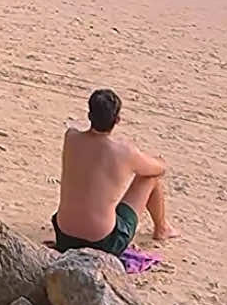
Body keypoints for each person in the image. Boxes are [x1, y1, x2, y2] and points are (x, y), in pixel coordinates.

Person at [53, 87, 176, 255]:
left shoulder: (71, 137)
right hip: (104, 242)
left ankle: (162, 228)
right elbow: (158, 169)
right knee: (151, 178)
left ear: (89, 116)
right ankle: (162, 228)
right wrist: (160, 160)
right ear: (117, 119)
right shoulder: (123, 151)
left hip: (64, 237)